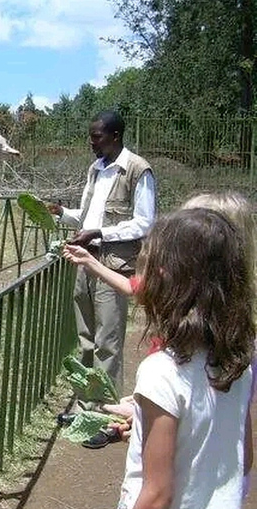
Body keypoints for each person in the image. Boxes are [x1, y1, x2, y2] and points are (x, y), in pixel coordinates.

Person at [114, 207, 254, 509]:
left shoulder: (161, 372)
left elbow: (157, 497)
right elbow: (242, 458)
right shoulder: (238, 363)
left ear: (163, 276)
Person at [48, 110, 156, 411]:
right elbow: (87, 217)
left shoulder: (137, 170)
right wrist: (62, 213)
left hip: (113, 265)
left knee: (107, 341)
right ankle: (84, 405)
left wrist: (100, 233)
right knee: (85, 337)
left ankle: (104, 411)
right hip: (86, 259)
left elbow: (145, 223)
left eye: (96, 137)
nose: (92, 143)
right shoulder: (96, 169)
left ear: (115, 136)